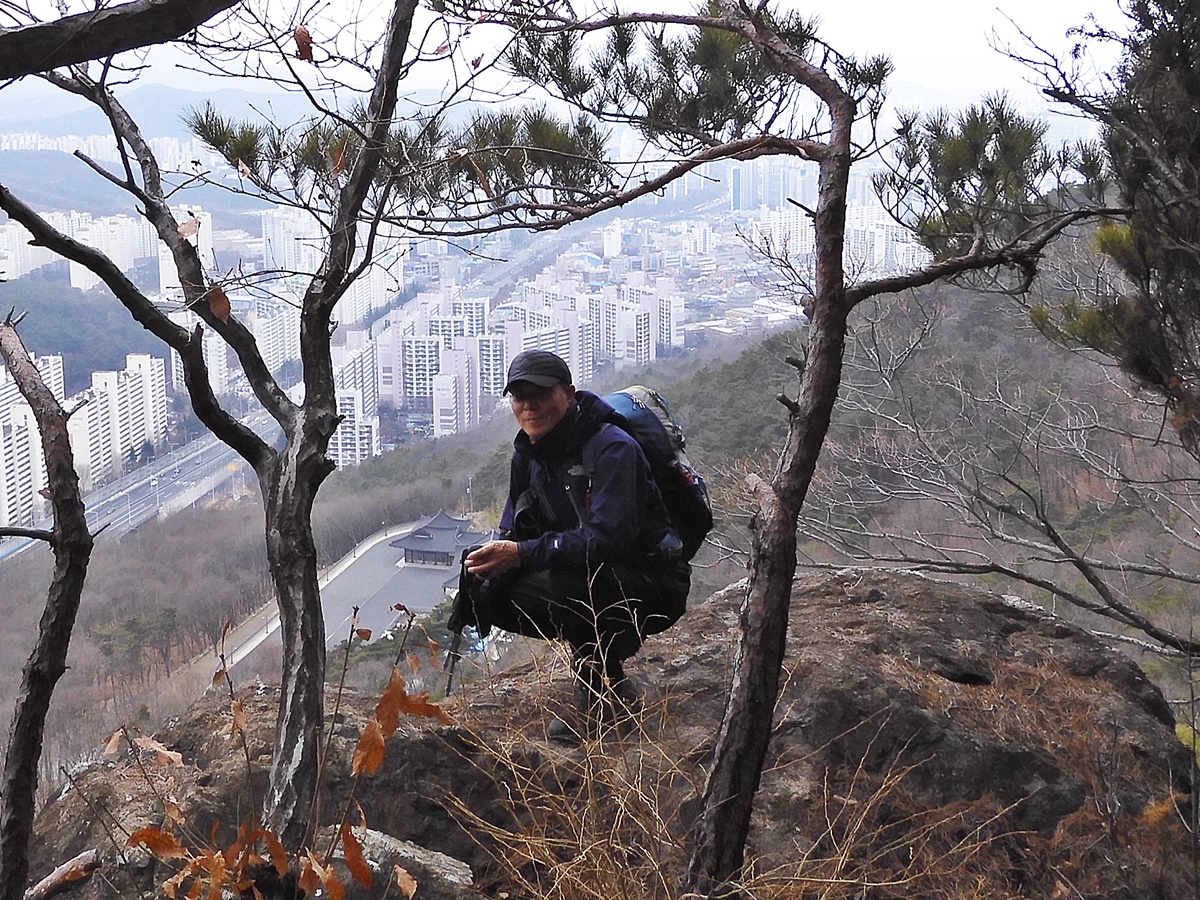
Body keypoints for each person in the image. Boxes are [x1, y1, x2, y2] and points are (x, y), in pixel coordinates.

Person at [462, 349, 690, 736]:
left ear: (568, 393)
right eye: (520, 397)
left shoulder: (612, 448)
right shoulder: (528, 455)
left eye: (540, 394)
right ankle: (607, 676)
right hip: (592, 574)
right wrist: (482, 578)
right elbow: (514, 529)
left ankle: (604, 696)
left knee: (564, 584)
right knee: (485, 585)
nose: (529, 406)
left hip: (652, 582)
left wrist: (521, 554)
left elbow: (606, 539)